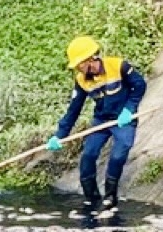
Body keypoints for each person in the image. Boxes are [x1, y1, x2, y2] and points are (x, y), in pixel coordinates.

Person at [46, 36, 146, 214]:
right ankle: (91, 198)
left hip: (123, 119)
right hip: (101, 120)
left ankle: (110, 195)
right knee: (88, 155)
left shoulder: (119, 66)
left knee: (118, 154)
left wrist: (129, 109)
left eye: (80, 64)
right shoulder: (82, 80)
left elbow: (139, 86)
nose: (78, 68)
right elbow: (73, 110)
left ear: (91, 59)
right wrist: (60, 135)